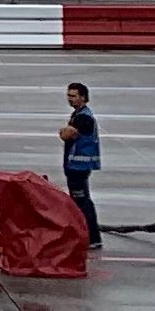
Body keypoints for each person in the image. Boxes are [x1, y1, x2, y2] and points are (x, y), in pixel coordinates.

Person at [59, 80, 104, 248]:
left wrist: (64, 131)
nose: (70, 99)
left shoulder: (83, 117)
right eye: (68, 95)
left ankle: (91, 238)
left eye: (73, 96)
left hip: (78, 168)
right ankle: (88, 236)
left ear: (83, 97)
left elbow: (66, 134)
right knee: (80, 201)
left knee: (82, 202)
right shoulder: (79, 114)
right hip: (75, 167)